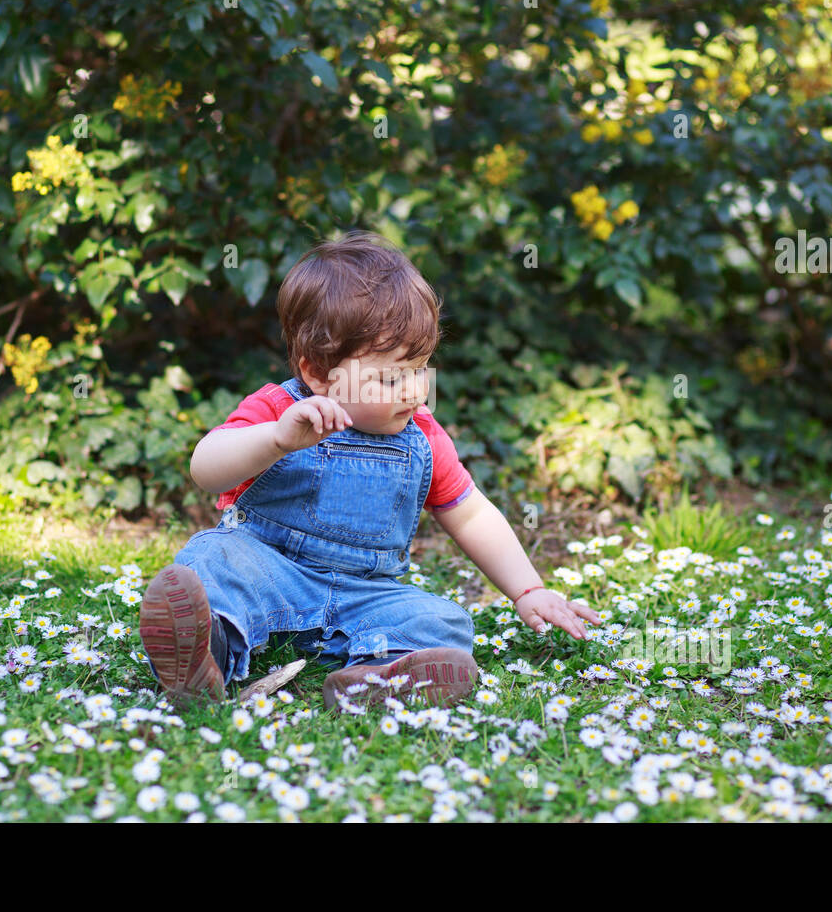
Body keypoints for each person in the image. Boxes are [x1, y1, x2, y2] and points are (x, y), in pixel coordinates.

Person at [139, 230, 601, 712]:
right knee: (213, 561)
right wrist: (275, 439)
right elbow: (206, 467)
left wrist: (528, 589)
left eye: (422, 368)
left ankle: (373, 678)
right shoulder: (280, 410)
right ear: (318, 372)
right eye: (391, 377)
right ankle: (202, 654)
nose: (415, 390)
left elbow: (471, 515)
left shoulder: (421, 434)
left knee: (445, 622)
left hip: (365, 595)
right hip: (269, 572)